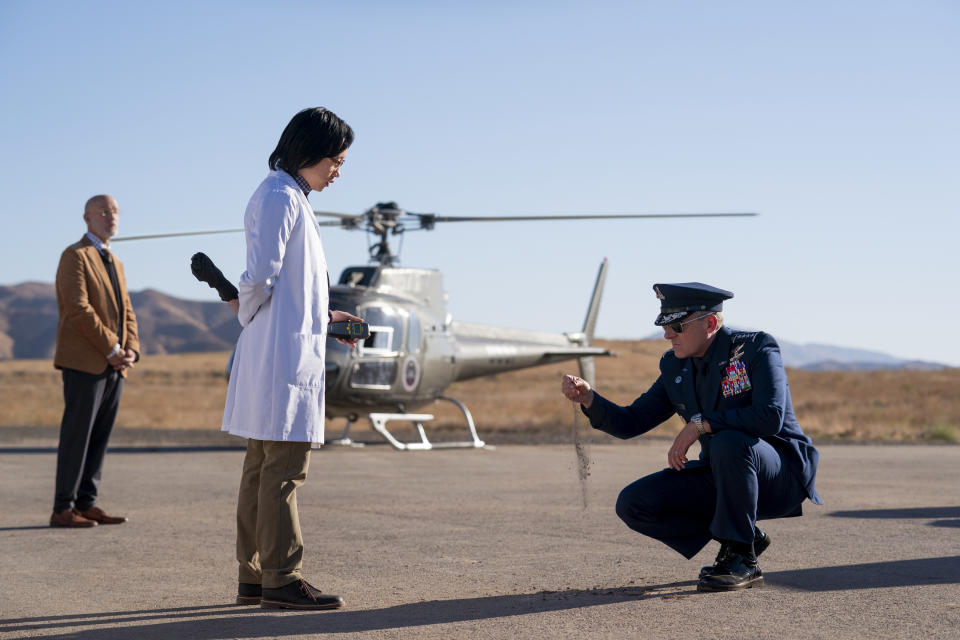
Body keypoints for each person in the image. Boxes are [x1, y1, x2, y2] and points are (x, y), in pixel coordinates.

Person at [561, 282, 821, 592]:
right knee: (634, 503)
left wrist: (700, 424)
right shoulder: (675, 366)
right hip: (726, 474)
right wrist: (591, 399)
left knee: (728, 441)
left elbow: (770, 416)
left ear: (710, 323)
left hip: (780, 475)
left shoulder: (755, 349)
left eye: (676, 325)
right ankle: (745, 535)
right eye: (664, 326)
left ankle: (742, 558)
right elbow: (632, 421)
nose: (668, 334)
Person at [221, 107, 362, 611]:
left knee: (261, 468)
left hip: (278, 351)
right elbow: (260, 277)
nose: (338, 171)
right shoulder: (282, 197)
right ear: (310, 153)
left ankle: (254, 575)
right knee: (283, 470)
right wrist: (249, 312)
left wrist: (323, 317)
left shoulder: (285, 195)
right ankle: (282, 576)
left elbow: (288, 289)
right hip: (281, 358)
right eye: (335, 160)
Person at [51, 194, 139, 528]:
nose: (111, 216)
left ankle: (86, 504)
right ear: (87, 218)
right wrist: (112, 347)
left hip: (116, 365)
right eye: (103, 211)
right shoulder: (74, 256)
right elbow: (78, 309)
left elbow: (127, 310)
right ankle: (63, 508)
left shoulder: (115, 262)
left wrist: (131, 348)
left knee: (99, 437)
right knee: (77, 436)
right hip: (85, 363)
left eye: (115, 211)